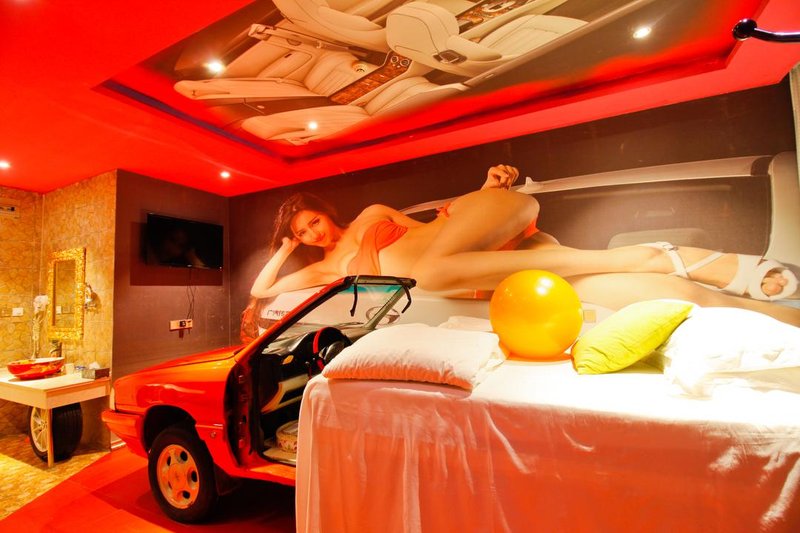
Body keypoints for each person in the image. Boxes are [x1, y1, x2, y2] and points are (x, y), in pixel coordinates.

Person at [249, 165, 800, 327]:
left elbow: (433, 226)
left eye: (313, 221)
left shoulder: (373, 214)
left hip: (482, 220)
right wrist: (281, 246)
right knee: (636, 294)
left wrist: (485, 189)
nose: (314, 233)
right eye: (303, 233)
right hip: (487, 270)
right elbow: (261, 291)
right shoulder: (322, 271)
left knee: (429, 273)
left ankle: (651, 252)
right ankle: (776, 314)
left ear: (326, 212)